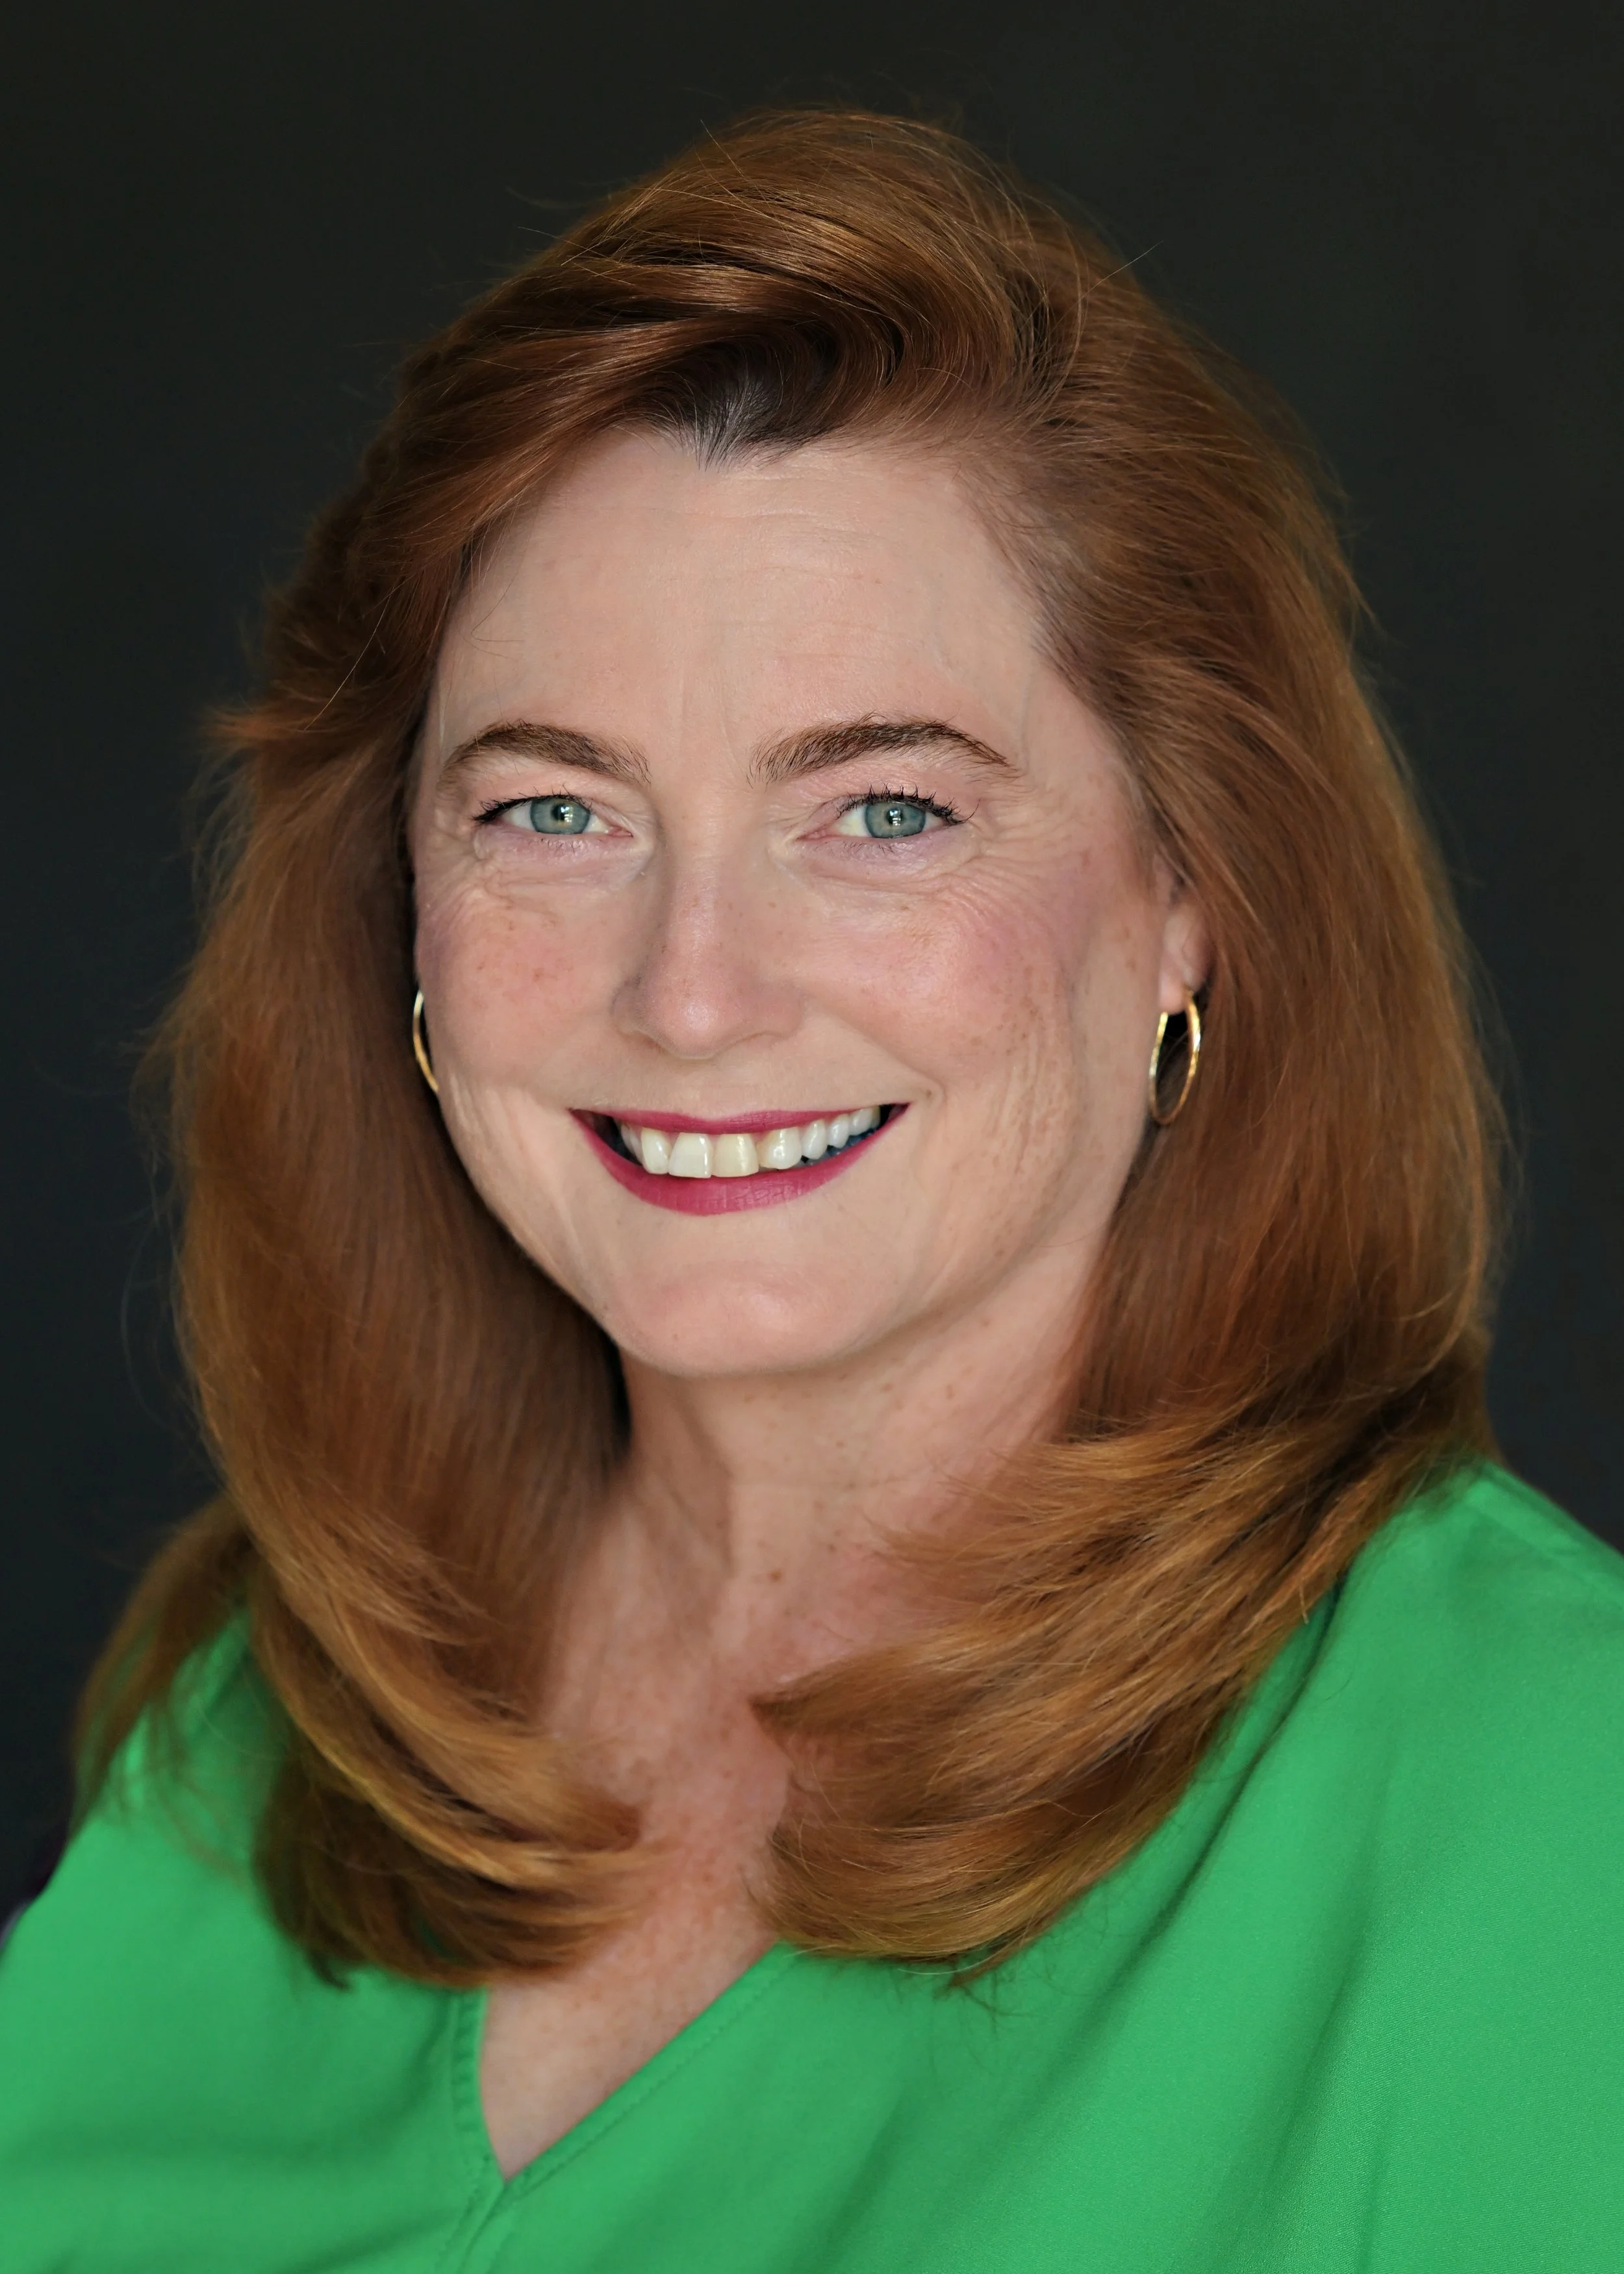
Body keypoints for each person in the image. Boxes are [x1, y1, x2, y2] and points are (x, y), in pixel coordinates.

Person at [1, 108, 1620, 2273]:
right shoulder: (260, 1704)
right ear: (398, 906)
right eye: (553, 811)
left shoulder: (1546, 1811)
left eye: (881, 810)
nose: (692, 994)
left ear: (1190, 902)